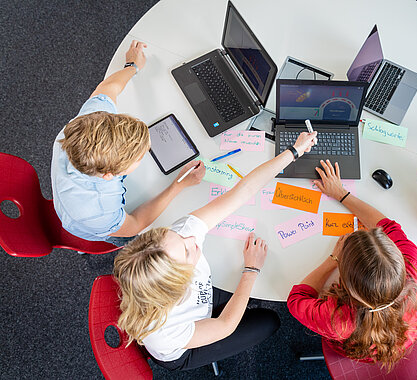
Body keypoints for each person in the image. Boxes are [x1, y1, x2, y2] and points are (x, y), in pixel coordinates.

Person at [113, 132, 317, 371]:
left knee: (248, 292)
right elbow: (224, 326)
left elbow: (243, 190)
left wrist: (293, 151)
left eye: (179, 236)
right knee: (269, 321)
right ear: (179, 281)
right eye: (188, 252)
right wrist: (250, 270)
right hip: (188, 343)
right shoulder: (164, 331)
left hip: (199, 299)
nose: (193, 240)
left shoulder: (180, 238)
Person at [51, 40, 206, 246]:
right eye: (139, 157)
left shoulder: (87, 125)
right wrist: (179, 185)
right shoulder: (100, 210)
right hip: (88, 226)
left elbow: (108, 87)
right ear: (109, 175)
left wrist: (132, 66)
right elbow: (135, 223)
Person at [287, 160, 417, 368]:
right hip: (396, 339)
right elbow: (386, 225)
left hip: (355, 346)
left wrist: (332, 260)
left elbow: (296, 300)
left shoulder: (338, 319)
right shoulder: (413, 263)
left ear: (347, 281)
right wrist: (342, 194)